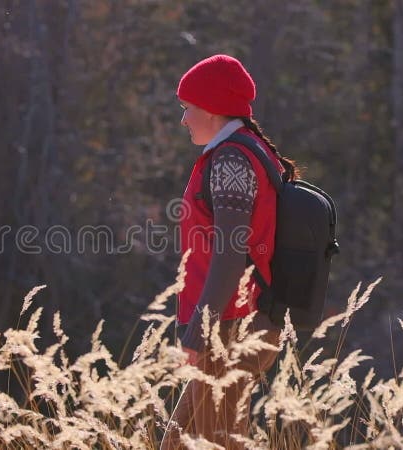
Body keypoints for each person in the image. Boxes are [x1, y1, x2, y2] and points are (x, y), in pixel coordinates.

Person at [161, 54, 296, 449]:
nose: (183, 119)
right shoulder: (245, 151)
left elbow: (230, 253)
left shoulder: (232, 159)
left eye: (188, 109)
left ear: (213, 109)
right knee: (179, 443)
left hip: (230, 328)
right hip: (234, 324)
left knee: (209, 444)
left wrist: (198, 331)